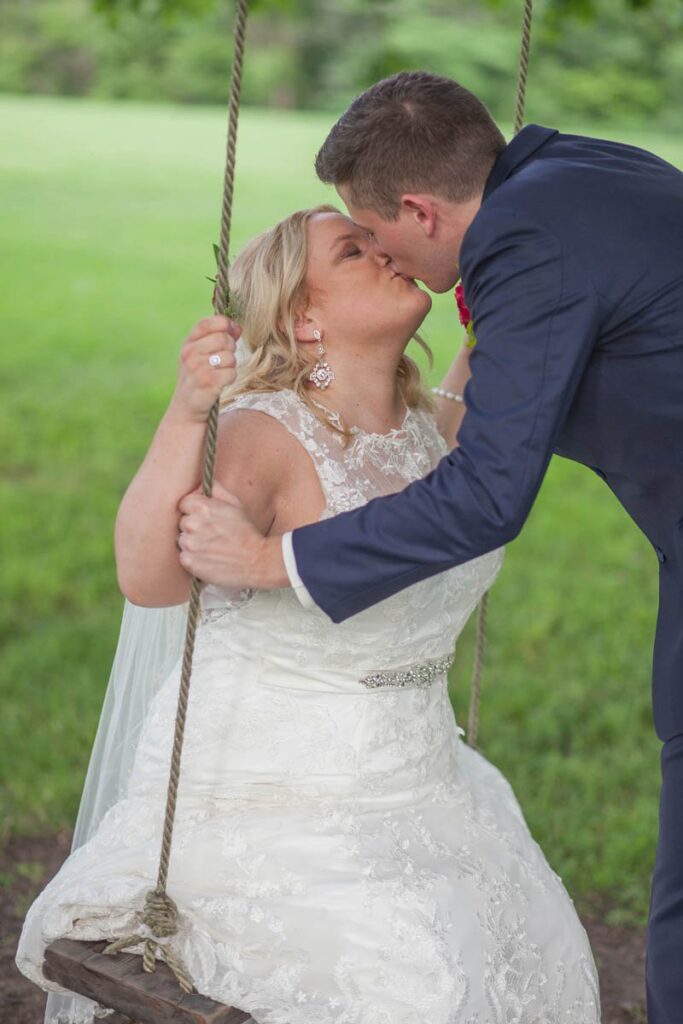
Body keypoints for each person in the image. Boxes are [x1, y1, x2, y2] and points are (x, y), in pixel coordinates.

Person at [15, 204, 601, 1024]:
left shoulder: (437, 424)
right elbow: (148, 581)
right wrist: (188, 414)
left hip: (421, 779)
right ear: (303, 316)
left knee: (517, 945)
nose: (388, 251)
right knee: (414, 973)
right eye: (354, 250)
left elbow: (508, 349)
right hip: (280, 797)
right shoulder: (264, 435)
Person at [180, 72, 683, 1024]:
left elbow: (487, 492)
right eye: (354, 249)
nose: (382, 253)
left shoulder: (522, 239)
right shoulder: (587, 166)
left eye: (372, 232)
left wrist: (270, 562)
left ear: (419, 207)